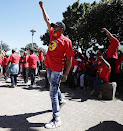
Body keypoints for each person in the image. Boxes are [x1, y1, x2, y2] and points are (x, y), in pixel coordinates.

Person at [39, 1, 74, 129]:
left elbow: (69, 59)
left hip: (57, 70)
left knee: (52, 92)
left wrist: (66, 74)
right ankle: (61, 100)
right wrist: (42, 8)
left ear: (62, 29)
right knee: (54, 87)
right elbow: (47, 20)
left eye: (56, 27)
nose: (53, 27)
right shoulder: (52, 35)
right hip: (49, 67)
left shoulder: (67, 41)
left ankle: (57, 118)